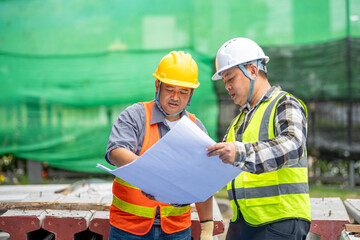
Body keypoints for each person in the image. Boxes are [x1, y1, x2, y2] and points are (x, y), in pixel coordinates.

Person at [207, 37, 311, 240]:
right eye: (225, 81)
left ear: (253, 71)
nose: (227, 86)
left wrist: (240, 153)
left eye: (231, 78)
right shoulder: (239, 120)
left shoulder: (285, 103)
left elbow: (293, 144)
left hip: (280, 221)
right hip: (245, 221)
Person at [105, 51, 214, 240]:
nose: (175, 97)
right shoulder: (136, 116)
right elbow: (116, 152)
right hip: (129, 229)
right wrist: (153, 174)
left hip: (176, 230)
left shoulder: (195, 127)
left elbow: (203, 181)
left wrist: (206, 229)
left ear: (191, 94)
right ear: (158, 85)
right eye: (170, 89)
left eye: (183, 92)